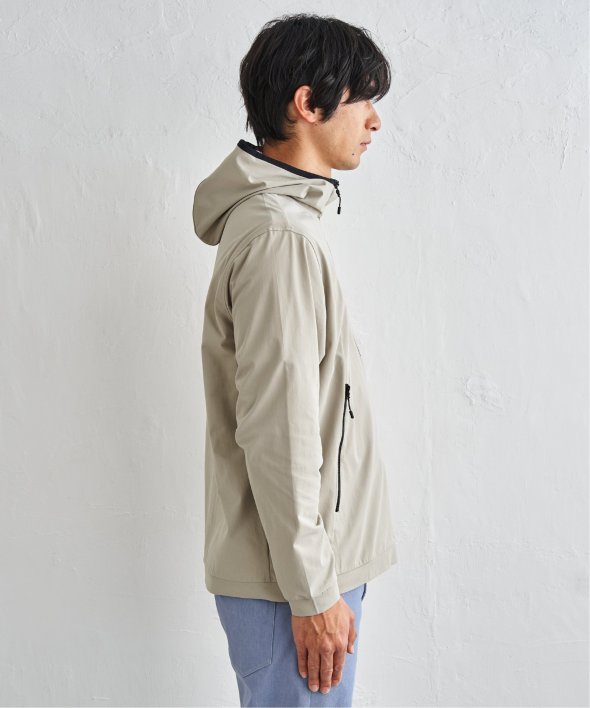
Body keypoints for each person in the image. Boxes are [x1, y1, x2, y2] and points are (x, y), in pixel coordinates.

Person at [192, 12, 398, 707]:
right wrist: (313, 592)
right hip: (295, 583)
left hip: (302, 571)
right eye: (363, 98)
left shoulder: (288, 223)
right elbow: (278, 428)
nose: (374, 121)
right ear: (308, 104)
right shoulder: (279, 237)